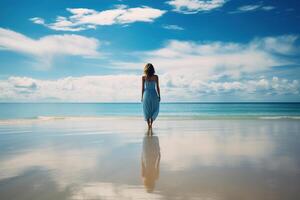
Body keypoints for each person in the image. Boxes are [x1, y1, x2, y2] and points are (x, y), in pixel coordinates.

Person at [141, 63, 160, 129]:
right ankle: (151, 124)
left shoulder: (144, 77)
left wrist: (141, 97)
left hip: (146, 94)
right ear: (152, 69)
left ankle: (148, 125)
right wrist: (159, 95)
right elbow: (157, 87)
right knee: (154, 108)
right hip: (154, 94)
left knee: (147, 109)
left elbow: (142, 88)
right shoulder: (155, 77)